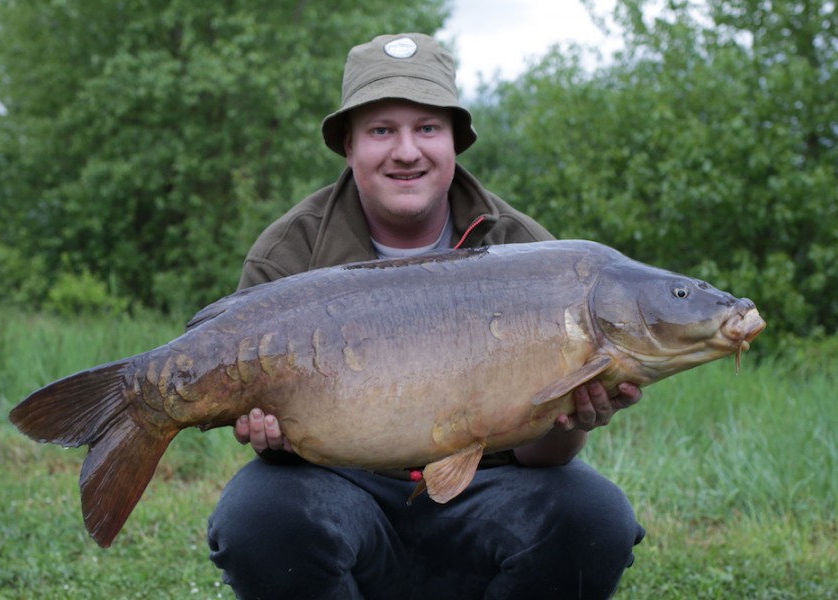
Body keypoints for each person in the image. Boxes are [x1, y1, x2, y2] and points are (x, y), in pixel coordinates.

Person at [207, 32, 645, 599]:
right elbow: (276, 444)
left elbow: (544, 458)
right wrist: (270, 432)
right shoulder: (290, 253)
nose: (407, 150)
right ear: (348, 144)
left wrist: (575, 419)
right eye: (381, 130)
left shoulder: (529, 254)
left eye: (428, 128)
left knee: (594, 517)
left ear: (455, 142)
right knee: (258, 517)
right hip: (341, 486)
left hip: (490, 487)